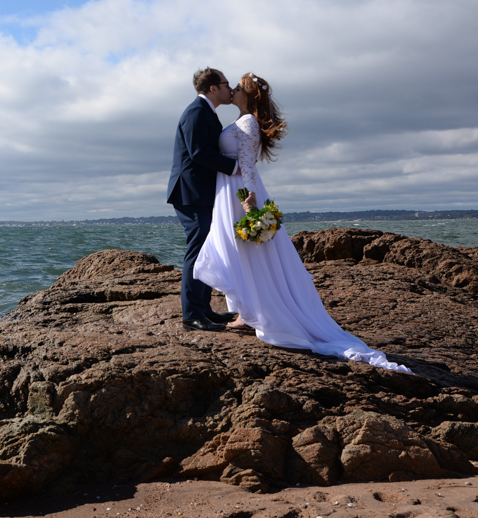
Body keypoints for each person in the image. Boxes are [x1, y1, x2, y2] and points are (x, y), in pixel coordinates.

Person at [193, 73, 412, 372]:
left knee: (246, 252)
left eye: (238, 89)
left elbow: (246, 165)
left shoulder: (247, 123)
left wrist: (249, 202)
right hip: (228, 191)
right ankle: (247, 310)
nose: (232, 90)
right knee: (240, 251)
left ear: (249, 96)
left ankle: (252, 312)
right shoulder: (242, 120)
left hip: (238, 192)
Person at [167, 67, 241, 332]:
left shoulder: (206, 112)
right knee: (198, 250)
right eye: (225, 84)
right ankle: (191, 315)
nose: (229, 88)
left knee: (205, 247)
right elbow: (198, 152)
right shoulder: (197, 112)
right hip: (191, 193)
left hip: (200, 191)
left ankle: (204, 309)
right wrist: (235, 168)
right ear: (213, 88)